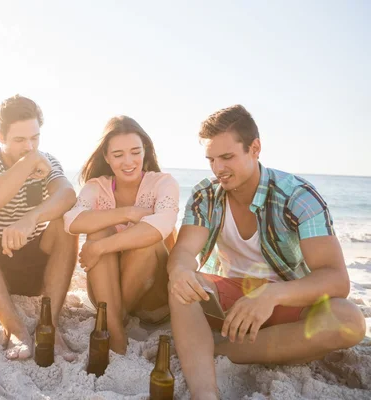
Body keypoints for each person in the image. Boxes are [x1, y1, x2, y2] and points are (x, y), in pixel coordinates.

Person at [167, 105, 366, 399]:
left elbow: (336, 279)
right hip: (230, 304)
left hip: (287, 301)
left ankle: (216, 347)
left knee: (350, 319)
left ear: (255, 148)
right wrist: (180, 270)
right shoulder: (206, 194)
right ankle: (204, 392)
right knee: (182, 287)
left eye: (227, 157)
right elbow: (183, 252)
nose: (217, 168)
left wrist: (271, 295)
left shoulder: (298, 196)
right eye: (211, 159)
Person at [0, 95, 78, 360]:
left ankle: (48, 325)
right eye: (20, 140)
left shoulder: (47, 160)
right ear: (1, 136)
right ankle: (15, 328)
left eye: (35, 138)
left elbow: (67, 195)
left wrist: (31, 218)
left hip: (28, 271)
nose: (29, 146)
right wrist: (27, 163)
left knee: (66, 220)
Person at [63, 115, 180, 354]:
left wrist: (99, 248)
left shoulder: (163, 183)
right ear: (106, 157)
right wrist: (128, 213)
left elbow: (161, 225)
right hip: (107, 294)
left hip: (153, 301)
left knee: (145, 240)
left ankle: (113, 321)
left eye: (135, 152)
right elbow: (71, 221)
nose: (129, 161)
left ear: (145, 151)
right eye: (118, 155)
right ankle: (115, 330)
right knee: (98, 228)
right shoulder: (97, 186)